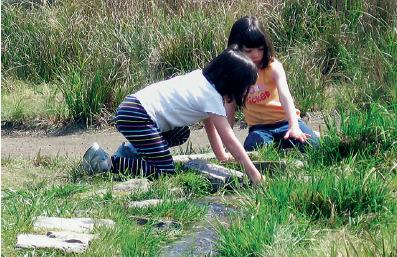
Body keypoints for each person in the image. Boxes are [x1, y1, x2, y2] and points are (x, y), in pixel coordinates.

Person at [82, 45, 263, 185]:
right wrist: (253, 173)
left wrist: (221, 156)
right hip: (137, 115)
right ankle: (108, 164)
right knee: (164, 171)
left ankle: (134, 151)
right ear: (232, 82)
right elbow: (229, 138)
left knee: (181, 133)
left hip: (132, 108)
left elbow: (210, 126)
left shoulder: (200, 79)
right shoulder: (211, 97)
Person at [225, 16, 319, 152]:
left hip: (285, 121)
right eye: (249, 51)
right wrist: (226, 142)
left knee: (312, 146)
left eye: (260, 49)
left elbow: (285, 96)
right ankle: (281, 144)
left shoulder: (273, 66)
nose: (256, 55)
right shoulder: (233, 75)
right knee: (252, 149)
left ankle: (300, 135)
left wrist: (294, 126)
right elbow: (229, 108)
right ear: (237, 49)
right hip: (259, 128)